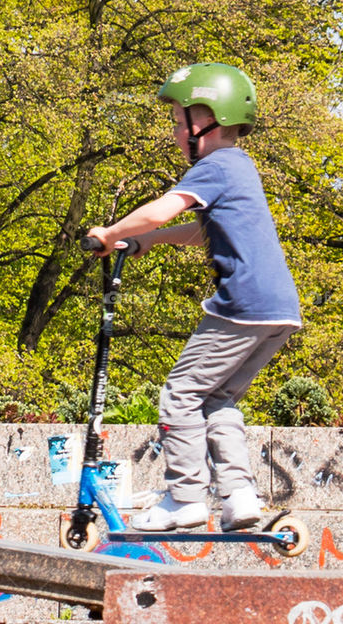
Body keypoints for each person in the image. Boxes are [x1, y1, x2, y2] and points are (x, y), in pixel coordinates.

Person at [86, 62, 302, 532]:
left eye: (180, 120)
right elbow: (202, 231)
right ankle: (239, 496)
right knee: (216, 398)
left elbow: (163, 210)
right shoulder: (239, 169)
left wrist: (112, 233)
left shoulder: (216, 165)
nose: (175, 132)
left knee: (181, 393)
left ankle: (185, 498)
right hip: (278, 309)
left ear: (208, 120)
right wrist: (147, 243)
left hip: (241, 304)